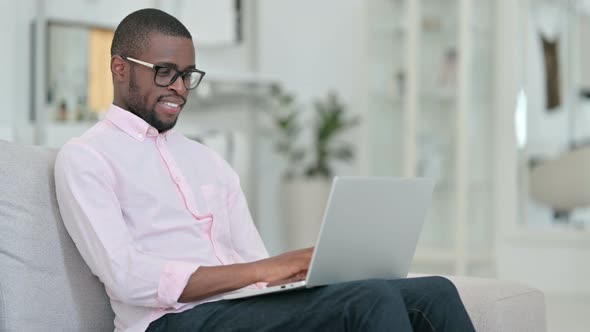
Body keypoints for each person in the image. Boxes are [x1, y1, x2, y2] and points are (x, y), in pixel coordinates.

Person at [54, 8, 475, 332]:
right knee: (369, 300)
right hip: (169, 323)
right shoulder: (87, 158)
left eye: (187, 76)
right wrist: (267, 269)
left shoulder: (207, 161)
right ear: (119, 67)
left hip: (240, 310)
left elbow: (255, 267)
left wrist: (304, 274)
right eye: (165, 73)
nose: (180, 89)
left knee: (435, 291)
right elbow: (128, 278)